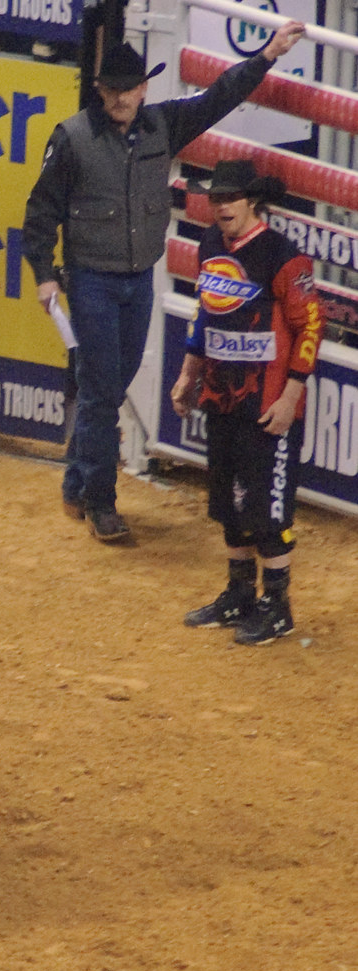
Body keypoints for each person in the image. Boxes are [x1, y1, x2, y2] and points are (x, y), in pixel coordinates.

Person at [21, 20, 306, 543]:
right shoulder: (73, 138)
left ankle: (77, 480)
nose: (121, 98)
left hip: (137, 278)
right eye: (113, 89)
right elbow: (41, 211)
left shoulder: (162, 124)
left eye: (129, 88)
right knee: (103, 390)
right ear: (99, 89)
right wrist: (44, 275)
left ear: (143, 88)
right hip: (91, 278)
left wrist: (266, 55)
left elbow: (219, 97)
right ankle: (101, 502)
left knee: (110, 383)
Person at [170, 160, 324, 646]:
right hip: (221, 399)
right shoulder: (210, 246)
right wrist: (188, 374)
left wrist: (290, 397)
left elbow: (310, 325)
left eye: (230, 198)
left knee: (267, 511)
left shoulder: (282, 255)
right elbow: (204, 315)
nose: (221, 206)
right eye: (215, 198)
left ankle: (277, 607)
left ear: (252, 201)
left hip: (268, 405)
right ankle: (239, 595)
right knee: (227, 504)